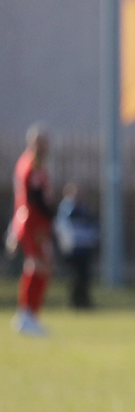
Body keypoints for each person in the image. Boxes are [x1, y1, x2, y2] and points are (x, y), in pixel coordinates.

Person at [10, 123, 55, 335]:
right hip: (32, 224)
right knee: (36, 265)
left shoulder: (37, 165)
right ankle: (26, 314)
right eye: (41, 143)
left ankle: (31, 315)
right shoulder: (29, 164)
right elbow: (33, 198)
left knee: (42, 266)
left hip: (38, 224)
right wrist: (51, 214)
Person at [54, 183, 99, 308]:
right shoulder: (67, 208)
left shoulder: (84, 207)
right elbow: (62, 228)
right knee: (75, 277)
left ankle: (84, 301)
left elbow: (91, 225)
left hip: (84, 248)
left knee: (85, 277)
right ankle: (74, 302)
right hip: (73, 249)